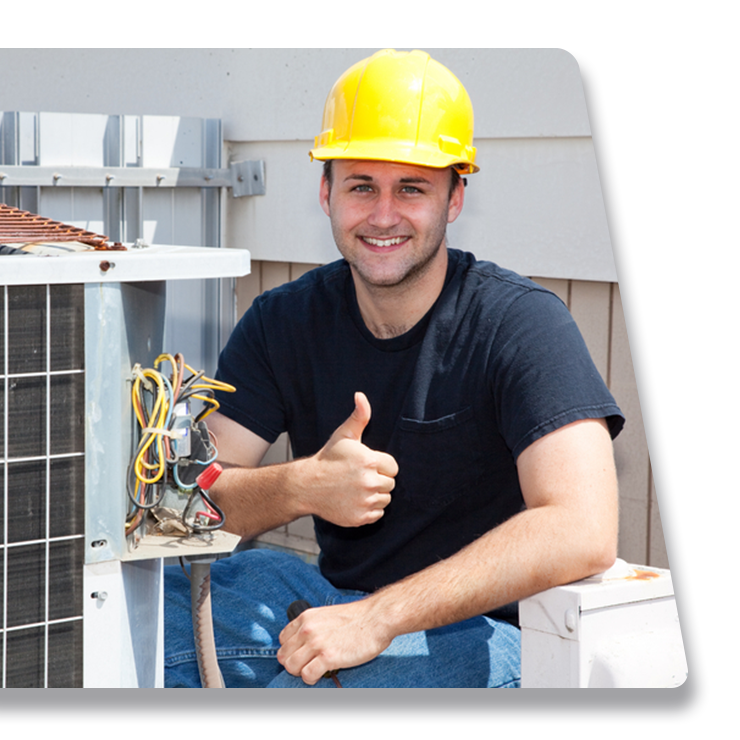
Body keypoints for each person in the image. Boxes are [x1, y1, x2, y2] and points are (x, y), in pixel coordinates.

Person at [164, 48, 624, 689]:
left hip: (485, 632)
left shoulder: (521, 324)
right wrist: (301, 486)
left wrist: (378, 618)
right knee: (136, 624)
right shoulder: (283, 321)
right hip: (330, 599)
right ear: (326, 192)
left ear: (455, 196)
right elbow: (191, 499)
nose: (383, 215)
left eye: (412, 187)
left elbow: (584, 526)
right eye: (361, 186)